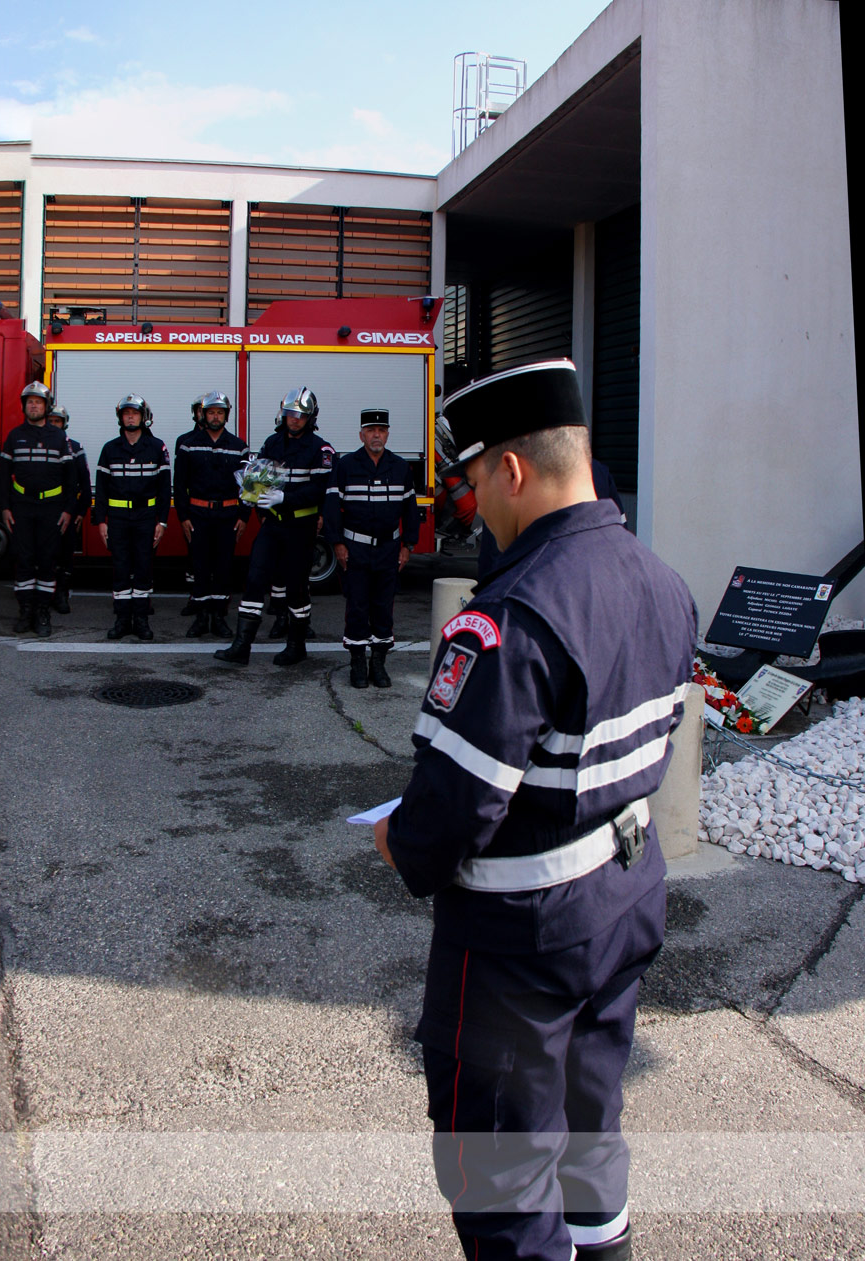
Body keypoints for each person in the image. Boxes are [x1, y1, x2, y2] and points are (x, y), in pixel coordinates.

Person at [371, 359, 692, 1261]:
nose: (474, 506)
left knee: (503, 1179)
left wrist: (400, 838)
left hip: (522, 939)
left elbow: (446, 814)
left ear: (511, 470)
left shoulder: (514, 615)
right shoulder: (661, 579)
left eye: (476, 480)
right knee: (590, 1128)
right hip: (624, 898)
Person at [215, 386, 336, 667]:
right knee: (254, 579)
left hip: (301, 528)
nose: (295, 419)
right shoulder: (272, 443)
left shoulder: (321, 449)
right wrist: (250, 502)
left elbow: (320, 490)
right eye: (290, 413)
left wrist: (286, 498)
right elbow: (258, 480)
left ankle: (296, 646)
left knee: (296, 587)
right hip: (272, 525)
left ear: (311, 418)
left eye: (301, 415)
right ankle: (241, 646)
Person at [325, 409, 423, 687]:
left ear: (388, 434)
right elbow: (331, 507)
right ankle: (358, 663)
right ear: (361, 435)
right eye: (370, 430)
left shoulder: (400, 467)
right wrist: (338, 544)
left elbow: (410, 510)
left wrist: (408, 545)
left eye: (381, 430)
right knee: (357, 606)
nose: (376, 435)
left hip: (389, 549)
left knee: (383, 607)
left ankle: (378, 664)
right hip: (355, 547)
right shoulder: (346, 465)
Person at [0, 382, 84, 635]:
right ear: (24, 406)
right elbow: (2, 477)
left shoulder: (59, 438)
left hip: (51, 509)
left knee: (47, 560)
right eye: (30, 402)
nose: (34, 406)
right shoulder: (14, 436)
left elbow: (71, 479)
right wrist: (4, 507)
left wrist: (68, 510)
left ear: (47, 406)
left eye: (38, 402)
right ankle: (26, 611)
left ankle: (43, 613)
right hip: (22, 507)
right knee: (23, 560)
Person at [93, 394, 172, 641]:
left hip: (146, 518)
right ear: (120, 418)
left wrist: (162, 521)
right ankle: (122, 620)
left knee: (143, 568)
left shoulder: (157, 447)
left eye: (135, 413)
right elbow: (101, 488)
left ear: (143, 417)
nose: (130, 417)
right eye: (126, 413)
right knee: (120, 568)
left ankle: (141, 620)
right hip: (117, 518)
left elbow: (164, 489)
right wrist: (101, 521)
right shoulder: (110, 449)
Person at [176, 390, 248, 637]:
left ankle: (218, 617)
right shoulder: (188, 445)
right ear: (203, 415)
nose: (215, 417)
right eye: (211, 413)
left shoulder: (239, 447)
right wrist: (183, 517)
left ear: (226, 416)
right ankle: (201, 618)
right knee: (200, 567)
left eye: (219, 412)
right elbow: (180, 484)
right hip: (198, 516)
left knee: (223, 567)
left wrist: (244, 517)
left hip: (227, 516)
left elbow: (248, 487)